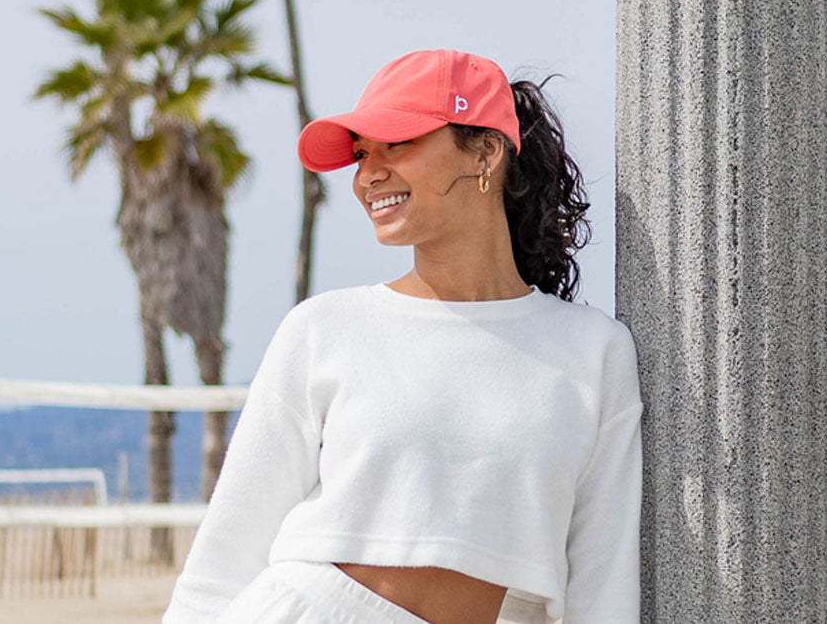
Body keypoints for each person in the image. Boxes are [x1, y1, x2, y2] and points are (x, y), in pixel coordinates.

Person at [161, 49, 643, 624]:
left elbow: (602, 584)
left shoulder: (593, 352)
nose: (368, 175)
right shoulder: (325, 330)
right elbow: (223, 561)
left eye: (397, 144)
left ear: (486, 151)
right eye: (362, 154)